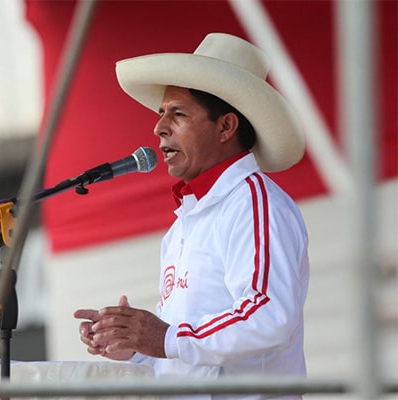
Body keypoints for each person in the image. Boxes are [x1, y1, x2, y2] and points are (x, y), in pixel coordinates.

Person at [73, 33, 310, 399]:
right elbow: (181, 350)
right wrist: (133, 346)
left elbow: (268, 316)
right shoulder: (184, 223)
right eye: (161, 114)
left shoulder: (254, 203)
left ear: (226, 127)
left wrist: (164, 337)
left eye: (178, 114)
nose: (159, 127)